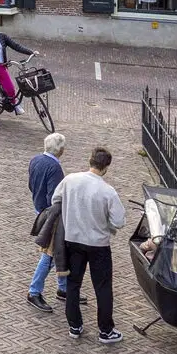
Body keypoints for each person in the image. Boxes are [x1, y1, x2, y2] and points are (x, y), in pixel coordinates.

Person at [49, 147, 128, 342]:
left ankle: (74, 325)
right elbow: (119, 221)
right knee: (102, 286)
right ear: (106, 167)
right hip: (98, 244)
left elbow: (55, 200)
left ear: (90, 160)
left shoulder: (70, 180)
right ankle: (105, 330)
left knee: (73, 283)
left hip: (73, 239)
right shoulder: (107, 191)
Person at [25, 132, 71, 311]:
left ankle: (63, 288)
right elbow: (55, 196)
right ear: (60, 150)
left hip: (39, 208)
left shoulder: (35, 160)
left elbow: (31, 184)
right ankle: (34, 291)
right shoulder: (55, 168)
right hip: (51, 214)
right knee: (50, 254)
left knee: (59, 251)